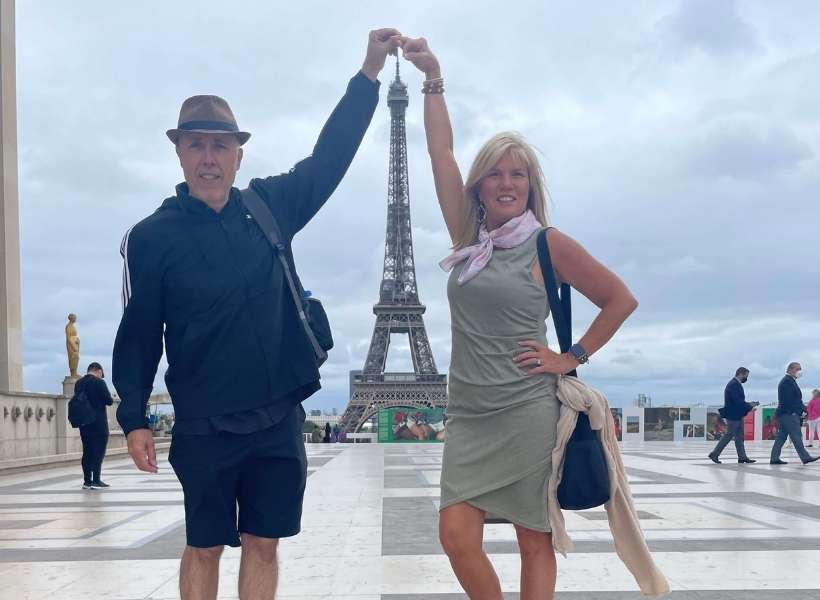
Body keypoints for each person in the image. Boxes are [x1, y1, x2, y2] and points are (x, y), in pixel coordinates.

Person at [112, 29, 401, 600]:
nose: (209, 158)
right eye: (197, 145)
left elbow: (330, 158)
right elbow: (140, 332)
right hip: (203, 422)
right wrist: (135, 416)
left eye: (220, 146)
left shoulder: (269, 206)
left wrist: (367, 76)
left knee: (263, 542)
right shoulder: (149, 238)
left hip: (275, 415)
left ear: (239, 153)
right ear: (179, 152)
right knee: (204, 545)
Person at [402, 37, 641, 600]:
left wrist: (571, 355)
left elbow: (620, 298)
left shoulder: (547, 245)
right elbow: (441, 155)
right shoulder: (470, 239)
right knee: (456, 537)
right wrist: (433, 78)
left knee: (535, 541)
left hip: (526, 409)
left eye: (518, 174)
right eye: (495, 174)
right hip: (469, 413)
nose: (507, 183)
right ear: (479, 186)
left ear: (530, 185)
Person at [770, 362, 819, 465]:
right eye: (798, 369)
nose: (800, 371)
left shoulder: (789, 381)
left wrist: (804, 410)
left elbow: (795, 400)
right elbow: (791, 401)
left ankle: (774, 458)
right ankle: (805, 457)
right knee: (796, 436)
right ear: (790, 369)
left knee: (781, 437)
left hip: (784, 414)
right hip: (789, 414)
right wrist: (801, 411)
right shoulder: (787, 382)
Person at [75, 362, 114, 489]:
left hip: (84, 423)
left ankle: (87, 481)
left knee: (87, 451)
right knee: (98, 451)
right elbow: (109, 401)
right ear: (98, 370)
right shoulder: (99, 382)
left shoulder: (79, 383)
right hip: (98, 423)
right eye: (101, 374)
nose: (102, 376)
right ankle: (96, 480)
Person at [708, 367, 756, 464]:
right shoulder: (733, 384)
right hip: (733, 415)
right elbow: (737, 401)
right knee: (729, 435)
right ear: (741, 374)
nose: (746, 378)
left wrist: (748, 405)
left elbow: (738, 401)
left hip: (737, 415)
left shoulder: (735, 384)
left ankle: (742, 457)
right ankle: (714, 454)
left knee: (739, 436)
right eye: (746, 376)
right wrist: (749, 407)